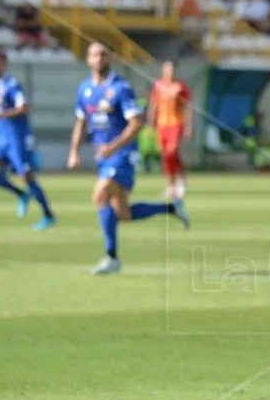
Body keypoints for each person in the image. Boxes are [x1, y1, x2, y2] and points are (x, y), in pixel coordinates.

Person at [69, 41, 189, 276]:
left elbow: (136, 123)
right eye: (94, 55)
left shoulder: (121, 88)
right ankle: (171, 208)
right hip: (105, 156)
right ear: (88, 59)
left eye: (104, 54)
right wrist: (74, 150)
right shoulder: (84, 89)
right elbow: (81, 121)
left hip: (123, 154)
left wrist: (114, 147)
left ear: (111, 58)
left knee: (100, 195)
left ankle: (112, 257)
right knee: (122, 213)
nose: (99, 59)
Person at [0, 49, 56, 229]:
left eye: (0, 63)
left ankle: (48, 215)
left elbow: (24, 108)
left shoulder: (12, 85)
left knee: (26, 176)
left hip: (18, 138)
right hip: (3, 138)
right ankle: (21, 195)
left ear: (5, 65)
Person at [148, 59, 192, 200]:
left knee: (172, 150)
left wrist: (188, 126)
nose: (170, 72)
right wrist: (151, 124)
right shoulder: (158, 85)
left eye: (172, 69)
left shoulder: (180, 87)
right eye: (167, 69)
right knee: (167, 156)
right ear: (163, 70)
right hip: (162, 124)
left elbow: (188, 108)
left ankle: (181, 182)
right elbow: (153, 106)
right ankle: (172, 185)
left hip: (176, 123)